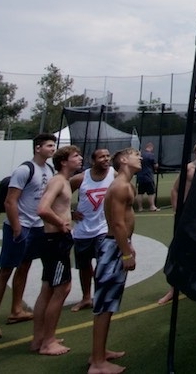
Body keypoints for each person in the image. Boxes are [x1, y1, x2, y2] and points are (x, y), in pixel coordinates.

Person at [0, 133, 57, 341]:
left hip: (37, 226)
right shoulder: (25, 170)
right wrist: (16, 228)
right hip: (21, 226)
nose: (53, 148)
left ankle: (17, 309)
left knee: (25, 266)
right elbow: (10, 201)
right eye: (49, 145)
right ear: (37, 148)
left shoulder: (49, 169)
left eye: (54, 145)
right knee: (6, 270)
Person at [88, 147, 141, 374]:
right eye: (135, 154)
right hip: (113, 248)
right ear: (123, 160)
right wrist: (126, 252)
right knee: (104, 305)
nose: (140, 158)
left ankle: (99, 353)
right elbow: (118, 223)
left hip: (118, 245)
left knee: (108, 305)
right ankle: (98, 363)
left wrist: (128, 245)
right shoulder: (120, 186)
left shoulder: (127, 184)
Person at [31, 144, 83, 356]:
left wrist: (70, 213)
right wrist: (61, 223)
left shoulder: (63, 182)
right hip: (56, 240)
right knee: (62, 288)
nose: (80, 159)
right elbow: (43, 209)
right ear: (63, 161)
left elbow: (55, 207)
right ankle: (48, 342)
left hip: (53, 240)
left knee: (48, 288)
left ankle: (39, 338)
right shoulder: (58, 181)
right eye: (75, 156)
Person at [157, 141, 196, 305]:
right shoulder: (188, 168)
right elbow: (175, 189)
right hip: (186, 214)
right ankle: (173, 289)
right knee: (178, 249)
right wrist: (177, 210)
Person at [70, 148, 115, 312]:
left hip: (103, 229)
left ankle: (100, 296)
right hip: (83, 230)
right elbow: (60, 195)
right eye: (102, 156)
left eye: (107, 156)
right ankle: (86, 298)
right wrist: (70, 212)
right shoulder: (80, 179)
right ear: (93, 160)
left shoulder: (113, 175)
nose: (106, 159)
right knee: (84, 266)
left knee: (102, 264)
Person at [135, 142, 159, 212]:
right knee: (151, 192)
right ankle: (152, 206)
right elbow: (155, 165)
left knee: (140, 193)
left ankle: (140, 208)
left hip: (140, 177)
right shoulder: (151, 155)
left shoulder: (140, 155)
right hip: (148, 176)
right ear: (151, 147)